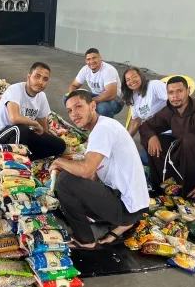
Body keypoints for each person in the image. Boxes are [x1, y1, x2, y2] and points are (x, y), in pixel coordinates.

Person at [50, 90, 150, 248]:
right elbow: (94, 174)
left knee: (65, 181)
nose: (74, 114)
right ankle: (122, 223)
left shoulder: (103, 129)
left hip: (127, 207)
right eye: (69, 111)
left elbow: (87, 170)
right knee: (73, 182)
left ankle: (86, 240)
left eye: (78, 107)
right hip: (134, 204)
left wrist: (60, 162)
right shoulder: (103, 126)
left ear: (92, 106)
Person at [139, 76, 195, 200]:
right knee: (158, 142)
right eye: (171, 92)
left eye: (179, 91)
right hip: (184, 154)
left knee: (189, 140)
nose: (175, 96)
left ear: (188, 91)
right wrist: (152, 137)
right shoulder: (171, 110)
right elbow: (146, 126)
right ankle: (165, 185)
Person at [0, 62, 66, 160]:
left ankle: (27, 158)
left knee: (60, 145)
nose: (41, 82)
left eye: (45, 79)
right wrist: (35, 124)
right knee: (20, 129)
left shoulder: (41, 96)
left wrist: (45, 140)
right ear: (29, 77)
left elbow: (43, 127)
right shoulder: (15, 89)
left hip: (22, 135)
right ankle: (13, 162)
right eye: (37, 76)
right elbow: (14, 118)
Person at [66, 48, 124, 118]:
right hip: (96, 96)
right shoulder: (85, 69)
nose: (92, 61)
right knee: (66, 98)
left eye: (94, 58)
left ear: (100, 58)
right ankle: (84, 122)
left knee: (102, 108)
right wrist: (74, 100)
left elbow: (111, 94)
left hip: (115, 101)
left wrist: (88, 102)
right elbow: (74, 85)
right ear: (86, 61)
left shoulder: (108, 70)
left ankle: (106, 126)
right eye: (88, 59)